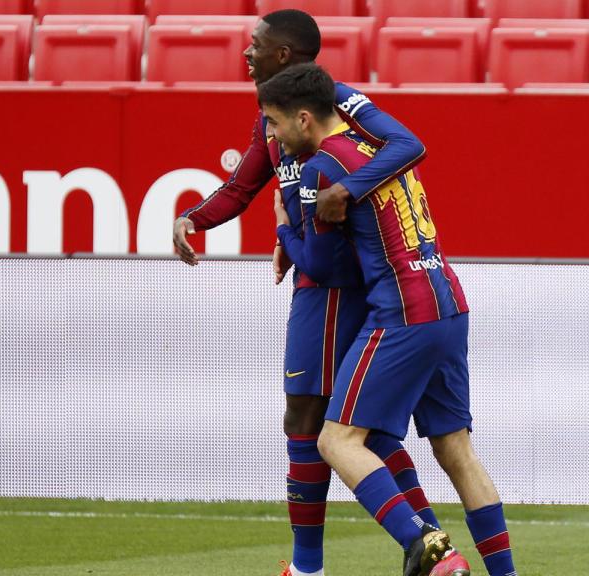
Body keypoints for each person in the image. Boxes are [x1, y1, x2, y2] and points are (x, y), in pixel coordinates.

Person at [172, 10, 460, 576]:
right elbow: (243, 185)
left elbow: (407, 145)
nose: (245, 53)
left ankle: (320, 566)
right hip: (327, 271)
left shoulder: (339, 106)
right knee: (355, 427)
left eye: (255, 45)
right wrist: (194, 219)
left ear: (284, 54)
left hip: (334, 282)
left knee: (309, 420)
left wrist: (319, 211)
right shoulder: (272, 117)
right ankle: (435, 549)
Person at [264, 63, 516, 576]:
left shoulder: (321, 168)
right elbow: (411, 146)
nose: (272, 134)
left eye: (274, 122)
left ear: (305, 119)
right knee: (457, 452)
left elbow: (321, 265)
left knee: (334, 440)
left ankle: (424, 546)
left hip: (403, 311)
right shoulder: (377, 145)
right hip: (448, 298)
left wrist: (284, 229)